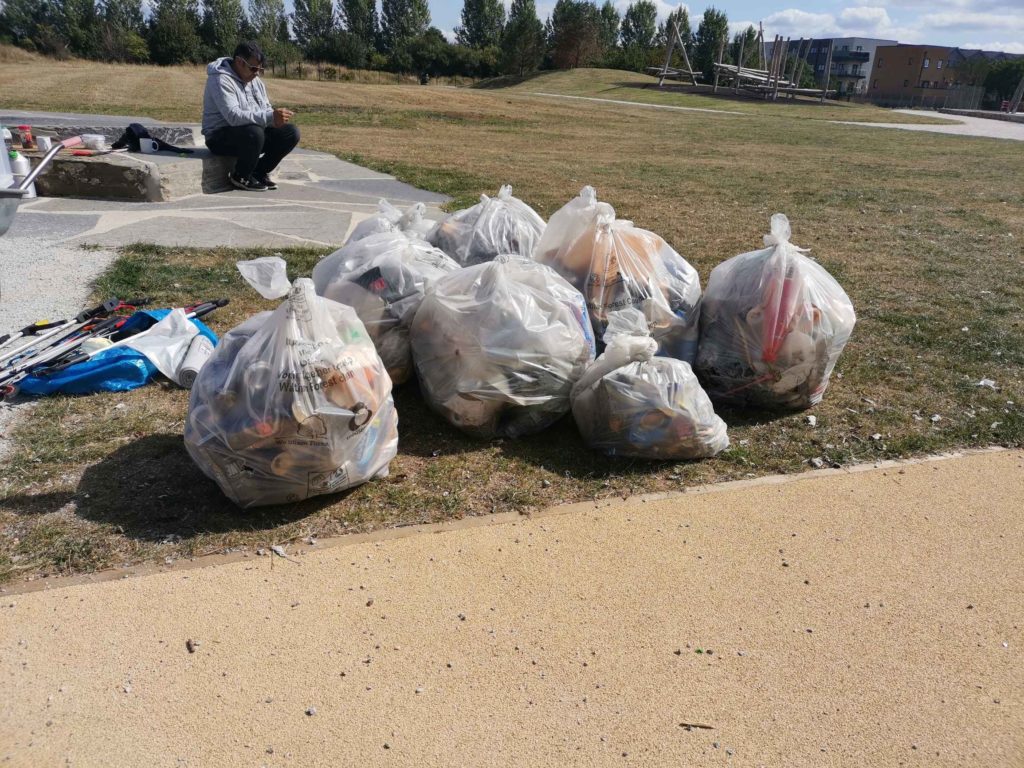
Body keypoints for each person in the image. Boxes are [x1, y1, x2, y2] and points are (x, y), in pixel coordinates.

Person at [202, 41, 299, 192]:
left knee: (290, 132)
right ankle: (241, 175)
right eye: (253, 68)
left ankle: (258, 171)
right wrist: (269, 117)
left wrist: (276, 119)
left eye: (260, 69)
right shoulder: (220, 79)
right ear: (239, 62)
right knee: (255, 132)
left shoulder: (256, 82)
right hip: (219, 137)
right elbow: (233, 116)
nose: (256, 73)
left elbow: (265, 108)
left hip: (250, 135)